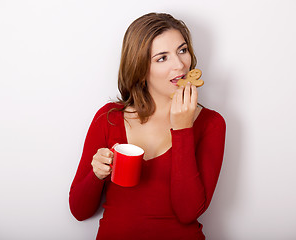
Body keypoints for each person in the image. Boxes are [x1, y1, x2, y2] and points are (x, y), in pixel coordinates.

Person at [69, 12, 226, 240]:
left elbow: (187, 212)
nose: (180, 64)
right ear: (141, 69)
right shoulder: (109, 118)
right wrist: (96, 174)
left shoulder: (211, 124)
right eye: (162, 58)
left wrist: (182, 129)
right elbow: (79, 211)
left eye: (182, 50)